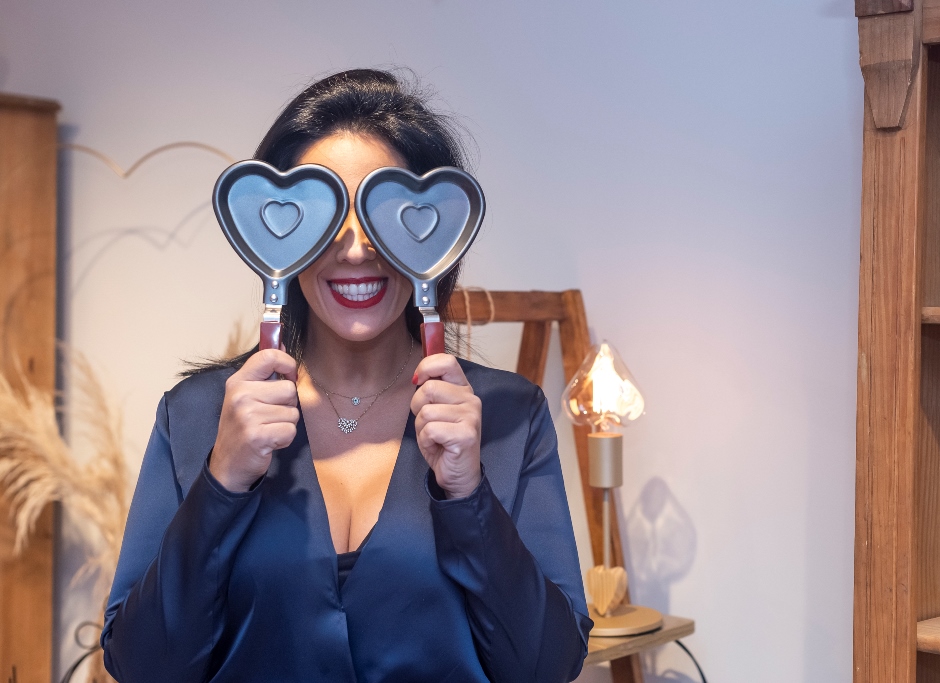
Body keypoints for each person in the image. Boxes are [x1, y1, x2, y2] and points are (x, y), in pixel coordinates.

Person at [100, 69, 593, 683]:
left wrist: (468, 494)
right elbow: (143, 667)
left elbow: (546, 667)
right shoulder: (197, 416)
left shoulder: (508, 418)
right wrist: (222, 483)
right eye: (326, 211)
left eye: (382, 212)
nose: (356, 247)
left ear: (432, 228)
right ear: (276, 231)